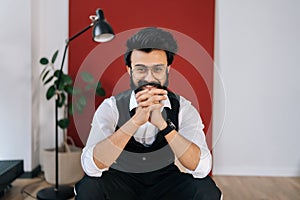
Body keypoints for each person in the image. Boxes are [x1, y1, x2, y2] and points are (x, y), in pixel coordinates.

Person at [75, 27, 222, 200]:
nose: (149, 78)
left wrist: (164, 126)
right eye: (141, 69)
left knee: (206, 190)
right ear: (129, 70)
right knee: (90, 187)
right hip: (121, 182)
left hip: (167, 183)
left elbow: (202, 168)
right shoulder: (111, 107)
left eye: (158, 69)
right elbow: (91, 166)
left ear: (168, 70)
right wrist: (135, 121)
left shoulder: (184, 109)